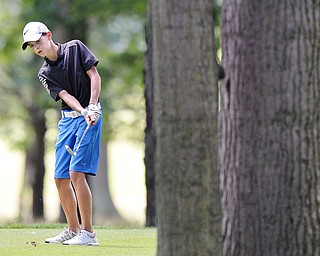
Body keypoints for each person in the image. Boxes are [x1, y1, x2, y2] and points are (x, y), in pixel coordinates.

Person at [22, 21, 102, 246]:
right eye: (31, 45)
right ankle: (72, 229)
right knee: (60, 178)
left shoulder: (75, 48)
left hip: (91, 115)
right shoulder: (44, 73)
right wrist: (82, 110)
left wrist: (92, 106)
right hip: (69, 120)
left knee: (76, 174)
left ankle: (88, 234)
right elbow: (66, 96)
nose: (36, 48)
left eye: (38, 41)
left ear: (49, 35)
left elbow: (94, 76)